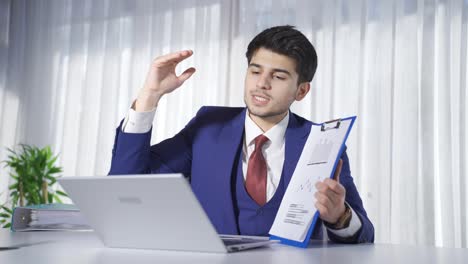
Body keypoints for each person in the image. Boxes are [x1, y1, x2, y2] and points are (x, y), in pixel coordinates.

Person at [109, 25, 374, 243]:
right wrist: (150, 96)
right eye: (255, 71)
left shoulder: (322, 142)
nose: (262, 83)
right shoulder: (207, 128)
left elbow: (365, 236)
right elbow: (126, 183)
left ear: (301, 91)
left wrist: (340, 216)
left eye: (278, 77)